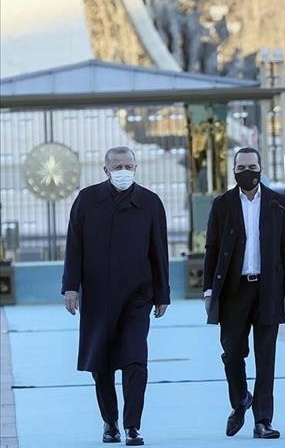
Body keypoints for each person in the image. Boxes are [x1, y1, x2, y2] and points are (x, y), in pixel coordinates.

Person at [61, 146, 170, 446]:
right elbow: (74, 246)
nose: (123, 171)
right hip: (97, 297)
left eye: (128, 166)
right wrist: (70, 287)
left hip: (138, 295)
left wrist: (162, 294)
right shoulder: (87, 200)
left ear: (136, 167)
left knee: (136, 359)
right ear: (105, 169)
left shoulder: (149, 203)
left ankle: (133, 425)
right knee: (102, 363)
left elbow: (159, 250)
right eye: (117, 166)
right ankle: (110, 422)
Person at [203, 147, 285, 439]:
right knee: (232, 353)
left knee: (266, 357)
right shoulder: (222, 204)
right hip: (233, 291)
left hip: (269, 289)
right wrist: (209, 291)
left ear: (260, 167)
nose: (247, 172)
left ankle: (263, 421)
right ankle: (241, 399)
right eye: (241, 168)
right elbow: (211, 249)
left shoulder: (278, 203)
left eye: (252, 167)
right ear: (234, 171)